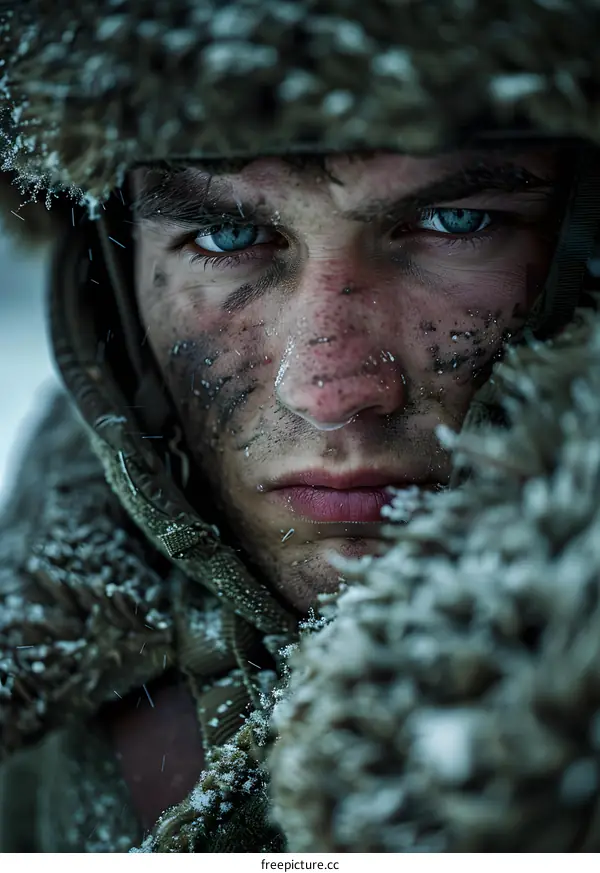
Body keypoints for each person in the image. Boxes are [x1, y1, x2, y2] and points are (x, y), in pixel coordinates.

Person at [0, 0, 598, 854]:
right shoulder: (34, 690)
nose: (331, 390)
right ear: (112, 276)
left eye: (455, 223)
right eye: (228, 233)